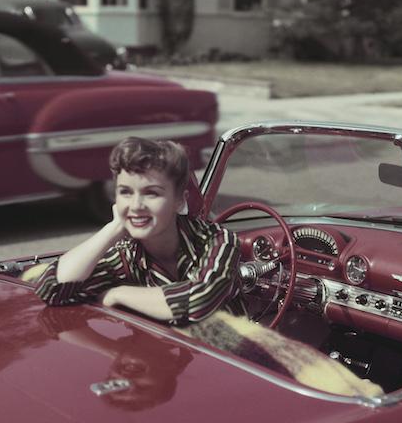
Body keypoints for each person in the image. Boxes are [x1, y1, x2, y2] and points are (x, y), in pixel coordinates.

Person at [36, 137, 245, 325]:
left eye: (151, 193)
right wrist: (114, 227)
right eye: (125, 192)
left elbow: (199, 300)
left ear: (179, 200)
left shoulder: (218, 240)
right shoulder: (127, 254)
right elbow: (52, 289)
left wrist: (119, 294)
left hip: (234, 357)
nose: (136, 205)